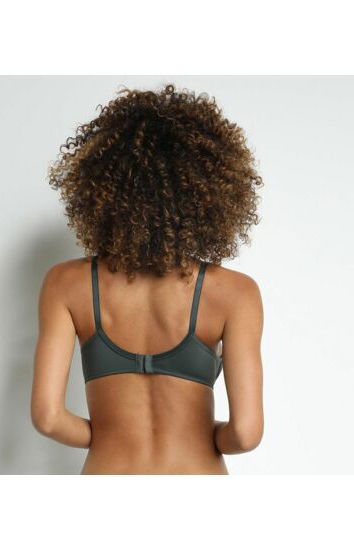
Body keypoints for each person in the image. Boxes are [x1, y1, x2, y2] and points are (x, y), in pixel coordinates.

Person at [31, 83, 264, 474]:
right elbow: (245, 434)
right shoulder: (235, 293)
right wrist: (199, 435)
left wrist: (111, 437)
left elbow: (48, 417)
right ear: (206, 192)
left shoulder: (65, 283)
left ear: (105, 188)